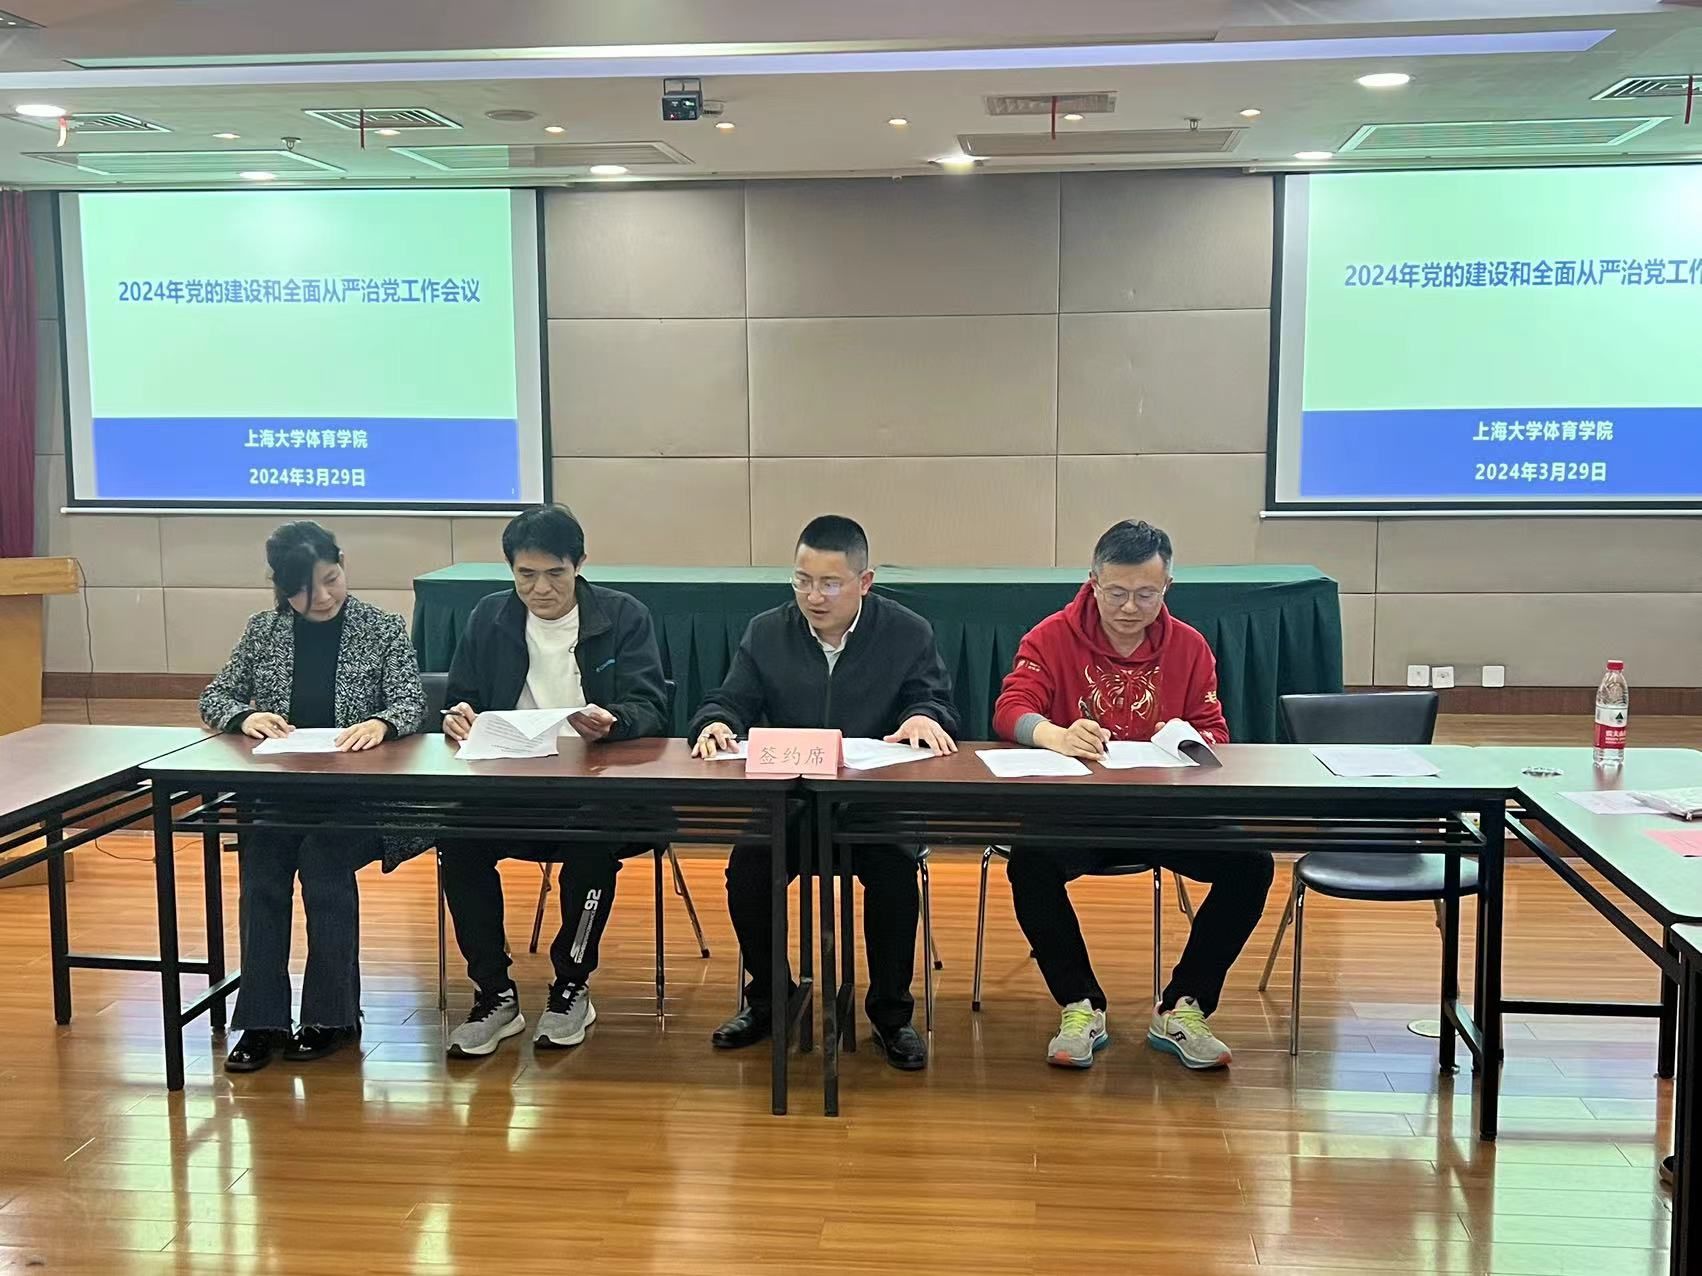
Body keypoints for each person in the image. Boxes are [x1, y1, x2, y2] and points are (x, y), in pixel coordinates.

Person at [993, 518, 1274, 1072]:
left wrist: (1186, 740)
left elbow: (1215, 731)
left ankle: (1184, 1006)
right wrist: (1055, 734)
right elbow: (1011, 710)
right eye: (1116, 592)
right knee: (1030, 863)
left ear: (1167, 586)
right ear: (1093, 581)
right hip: (1080, 812)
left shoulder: (1189, 646)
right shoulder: (1050, 636)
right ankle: (1079, 1004)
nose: (1129, 607)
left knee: (1251, 864)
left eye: (1146, 594)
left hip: (1165, 813)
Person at [689, 515, 958, 1070]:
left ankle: (891, 1015)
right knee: (748, 870)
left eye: (830, 583)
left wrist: (924, 717)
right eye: (802, 580)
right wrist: (714, 721)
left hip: (872, 805)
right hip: (792, 802)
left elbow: (933, 700)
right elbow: (730, 699)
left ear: (865, 582)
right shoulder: (767, 632)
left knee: (894, 876)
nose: (814, 596)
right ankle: (771, 998)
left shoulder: (907, 632)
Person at [438, 505, 667, 1057]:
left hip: (596, 788)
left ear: (579, 564)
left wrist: (615, 721)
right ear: (511, 570)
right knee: (457, 840)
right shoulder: (489, 617)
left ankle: (572, 984)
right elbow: (460, 699)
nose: (540, 589)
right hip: (509, 783)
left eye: (555, 574)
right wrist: (457, 716)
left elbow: (652, 706)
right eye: (526, 575)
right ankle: (493, 992)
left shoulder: (622, 616)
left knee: (591, 844)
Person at [199, 521, 426, 1073]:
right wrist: (245, 715)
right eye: (303, 589)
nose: (322, 597)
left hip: (362, 799)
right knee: (262, 866)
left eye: (331, 579)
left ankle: (333, 1016)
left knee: (323, 860)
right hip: (283, 795)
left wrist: (382, 722)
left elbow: (412, 702)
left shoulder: (381, 627)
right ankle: (262, 1021)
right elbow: (215, 696)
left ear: (342, 563)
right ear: (281, 587)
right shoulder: (263, 631)